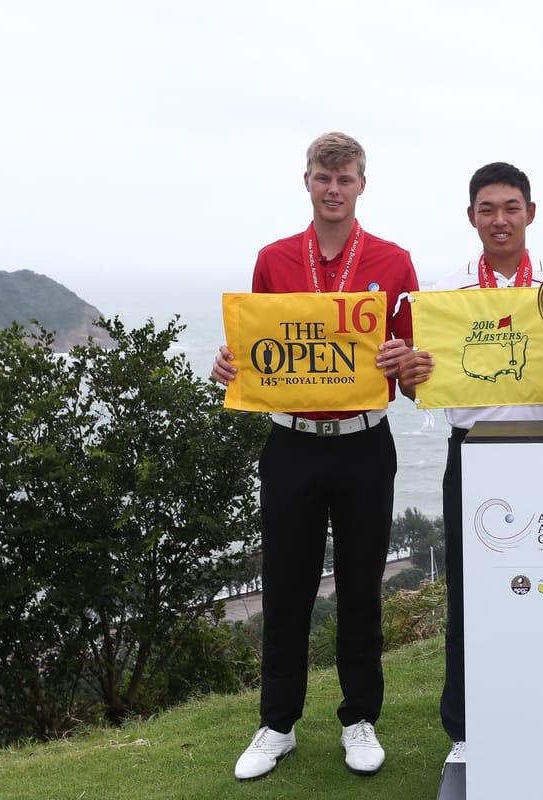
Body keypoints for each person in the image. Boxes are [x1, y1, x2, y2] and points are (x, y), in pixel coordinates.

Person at [211, 132, 418, 782]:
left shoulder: (394, 261)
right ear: (307, 181)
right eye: (323, 178)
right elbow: (257, 353)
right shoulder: (273, 260)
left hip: (365, 442)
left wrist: (405, 360)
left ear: (361, 185)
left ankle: (360, 719)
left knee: (360, 587)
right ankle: (278, 725)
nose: (333, 189)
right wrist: (229, 366)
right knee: (286, 587)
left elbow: (416, 373)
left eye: (345, 178)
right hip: (291, 444)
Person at [395, 162, 543, 770]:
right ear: (471, 216)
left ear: (530, 212)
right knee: (470, 594)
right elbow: (416, 388)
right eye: (487, 209)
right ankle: (466, 728)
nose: (499, 220)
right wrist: (411, 376)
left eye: (511, 208)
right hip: (473, 452)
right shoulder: (445, 293)